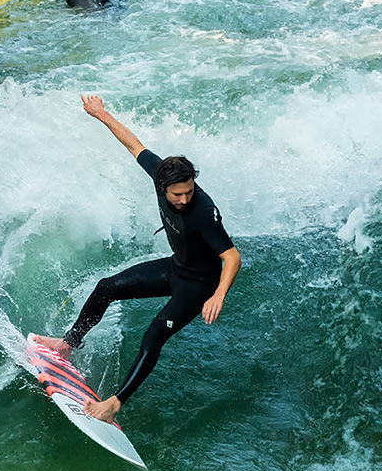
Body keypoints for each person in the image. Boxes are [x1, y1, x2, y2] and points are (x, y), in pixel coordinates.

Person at [33, 95, 241, 425]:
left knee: (154, 334)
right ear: (163, 184)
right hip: (177, 268)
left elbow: (231, 256)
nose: (184, 198)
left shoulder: (201, 210)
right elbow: (134, 145)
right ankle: (67, 344)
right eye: (177, 194)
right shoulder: (161, 174)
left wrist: (218, 294)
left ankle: (115, 403)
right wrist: (101, 114)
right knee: (106, 287)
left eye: (188, 190)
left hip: (199, 285)